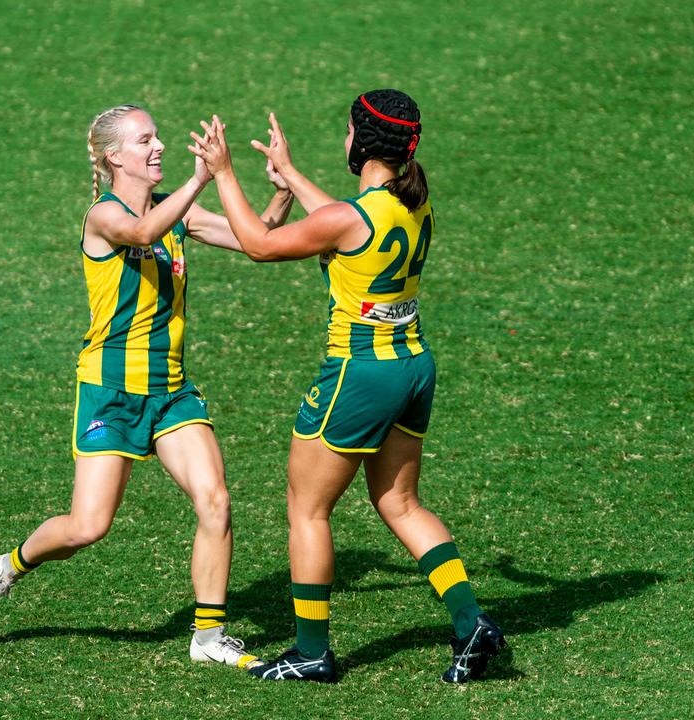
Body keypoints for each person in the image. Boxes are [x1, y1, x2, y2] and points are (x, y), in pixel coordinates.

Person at [0, 104, 294, 670]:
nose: (159, 146)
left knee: (215, 501)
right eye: (146, 140)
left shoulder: (176, 214)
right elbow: (141, 232)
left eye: (158, 137)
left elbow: (256, 240)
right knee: (88, 526)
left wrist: (281, 192)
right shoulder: (103, 217)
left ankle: (208, 636)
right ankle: (12, 565)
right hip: (110, 392)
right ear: (115, 157)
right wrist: (200, 177)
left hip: (170, 391)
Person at [190, 90, 506, 683]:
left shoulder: (348, 218)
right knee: (400, 502)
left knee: (308, 510)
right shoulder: (411, 200)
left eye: (348, 131)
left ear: (362, 143)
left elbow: (261, 245)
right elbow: (346, 219)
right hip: (413, 365)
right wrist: (291, 176)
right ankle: (472, 622)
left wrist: (226, 173)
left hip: (358, 374)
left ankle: (312, 653)